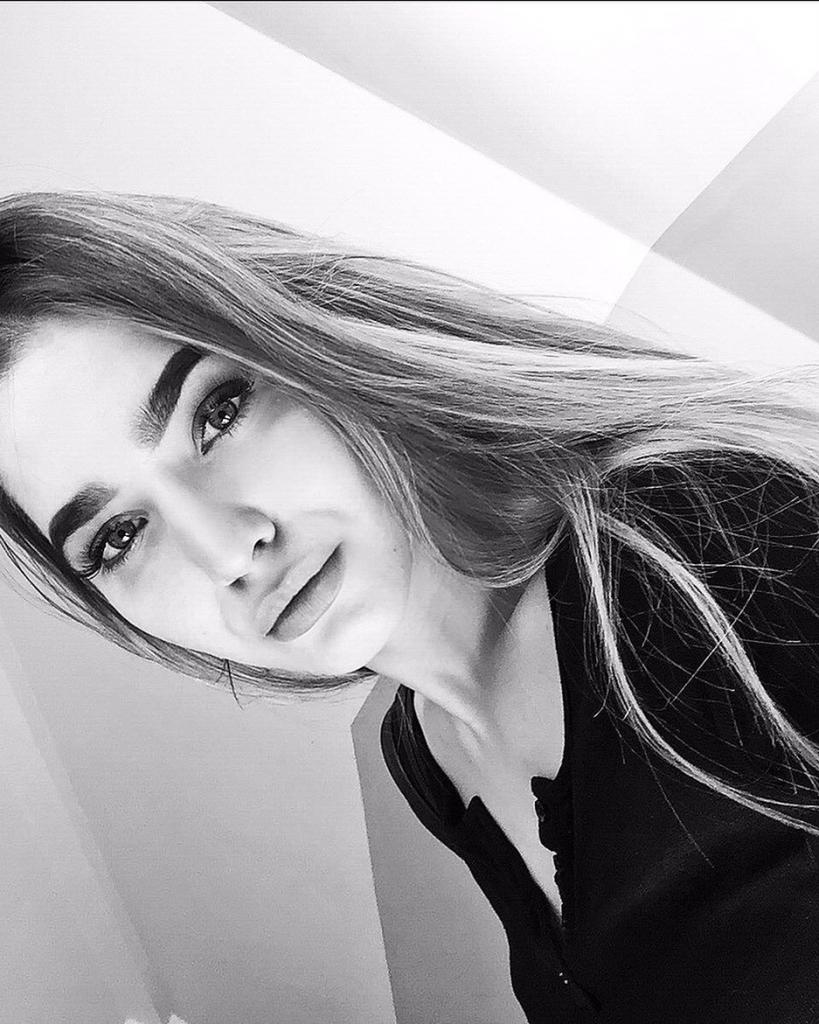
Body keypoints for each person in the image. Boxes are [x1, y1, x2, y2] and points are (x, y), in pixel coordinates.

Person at [0, 190, 818, 1023]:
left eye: (218, 413)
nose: (225, 552)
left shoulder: (711, 540)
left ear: (317, 344)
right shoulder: (422, 750)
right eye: (119, 537)